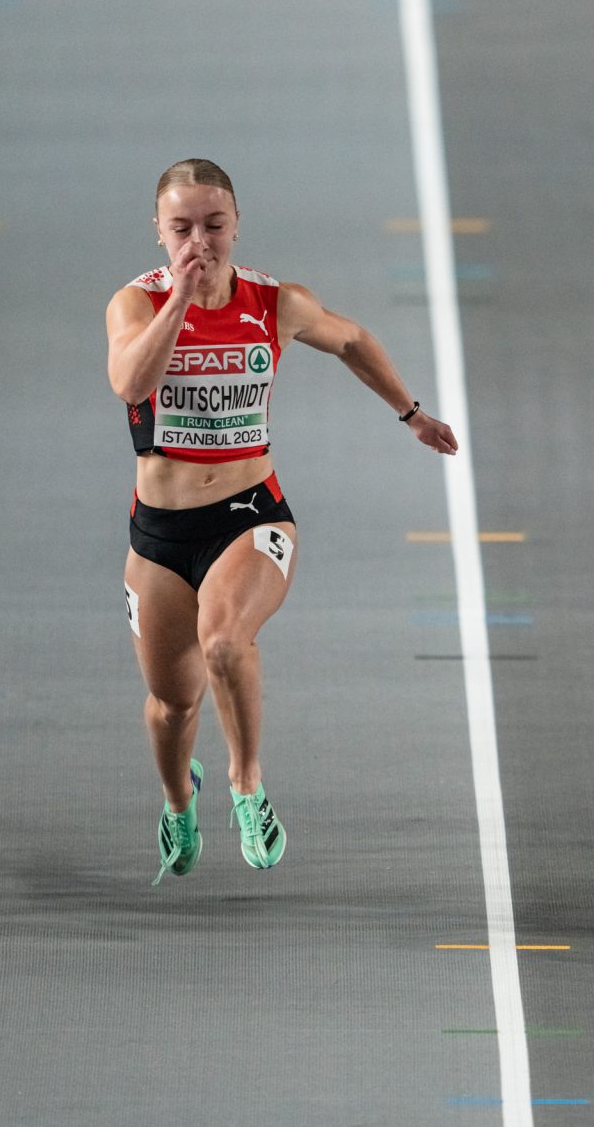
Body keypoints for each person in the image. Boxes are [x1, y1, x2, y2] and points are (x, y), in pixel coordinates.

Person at [108, 158, 455, 883]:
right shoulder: (134, 306)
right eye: (182, 228)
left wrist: (412, 413)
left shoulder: (275, 302)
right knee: (173, 704)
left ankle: (246, 784)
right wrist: (180, 297)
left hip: (249, 512)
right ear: (159, 232)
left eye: (213, 224)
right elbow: (130, 382)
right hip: (162, 534)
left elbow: (353, 339)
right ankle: (180, 799)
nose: (199, 240)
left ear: (236, 223)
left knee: (228, 640)